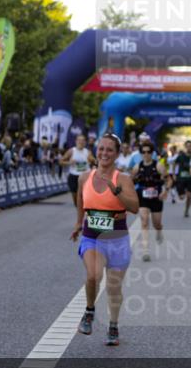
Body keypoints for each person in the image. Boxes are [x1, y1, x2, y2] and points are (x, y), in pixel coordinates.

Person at [70, 133, 139, 346]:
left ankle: (113, 325)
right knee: (93, 276)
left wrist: (117, 192)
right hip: (92, 237)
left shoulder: (124, 179)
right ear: (96, 150)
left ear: (117, 154)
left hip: (117, 238)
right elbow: (82, 201)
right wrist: (78, 223)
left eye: (110, 150)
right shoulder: (84, 177)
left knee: (113, 287)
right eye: (101, 148)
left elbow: (134, 207)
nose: (104, 153)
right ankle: (89, 311)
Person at [132, 142, 169, 261]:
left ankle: (159, 230)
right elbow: (130, 181)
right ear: (141, 153)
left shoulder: (158, 166)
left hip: (156, 197)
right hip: (142, 196)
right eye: (144, 152)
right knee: (144, 221)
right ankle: (145, 250)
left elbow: (169, 180)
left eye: (148, 152)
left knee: (156, 223)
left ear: (152, 153)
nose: (146, 154)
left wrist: (165, 190)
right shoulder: (137, 167)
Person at [61, 134, 96, 207]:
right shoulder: (71, 151)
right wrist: (69, 162)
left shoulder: (87, 152)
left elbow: (94, 161)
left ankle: (84, 210)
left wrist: (93, 161)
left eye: (83, 140)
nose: (81, 142)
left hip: (85, 177)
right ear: (76, 141)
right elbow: (61, 162)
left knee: (85, 196)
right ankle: (79, 209)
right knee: (75, 197)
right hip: (73, 176)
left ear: (85, 142)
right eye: (79, 140)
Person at [172, 140, 191, 218]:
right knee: (181, 198)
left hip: (190, 179)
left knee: (189, 196)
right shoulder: (181, 156)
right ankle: (182, 192)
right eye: (187, 146)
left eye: (190, 146)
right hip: (181, 179)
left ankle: (187, 210)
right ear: (185, 146)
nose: (189, 147)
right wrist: (174, 174)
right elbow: (175, 163)